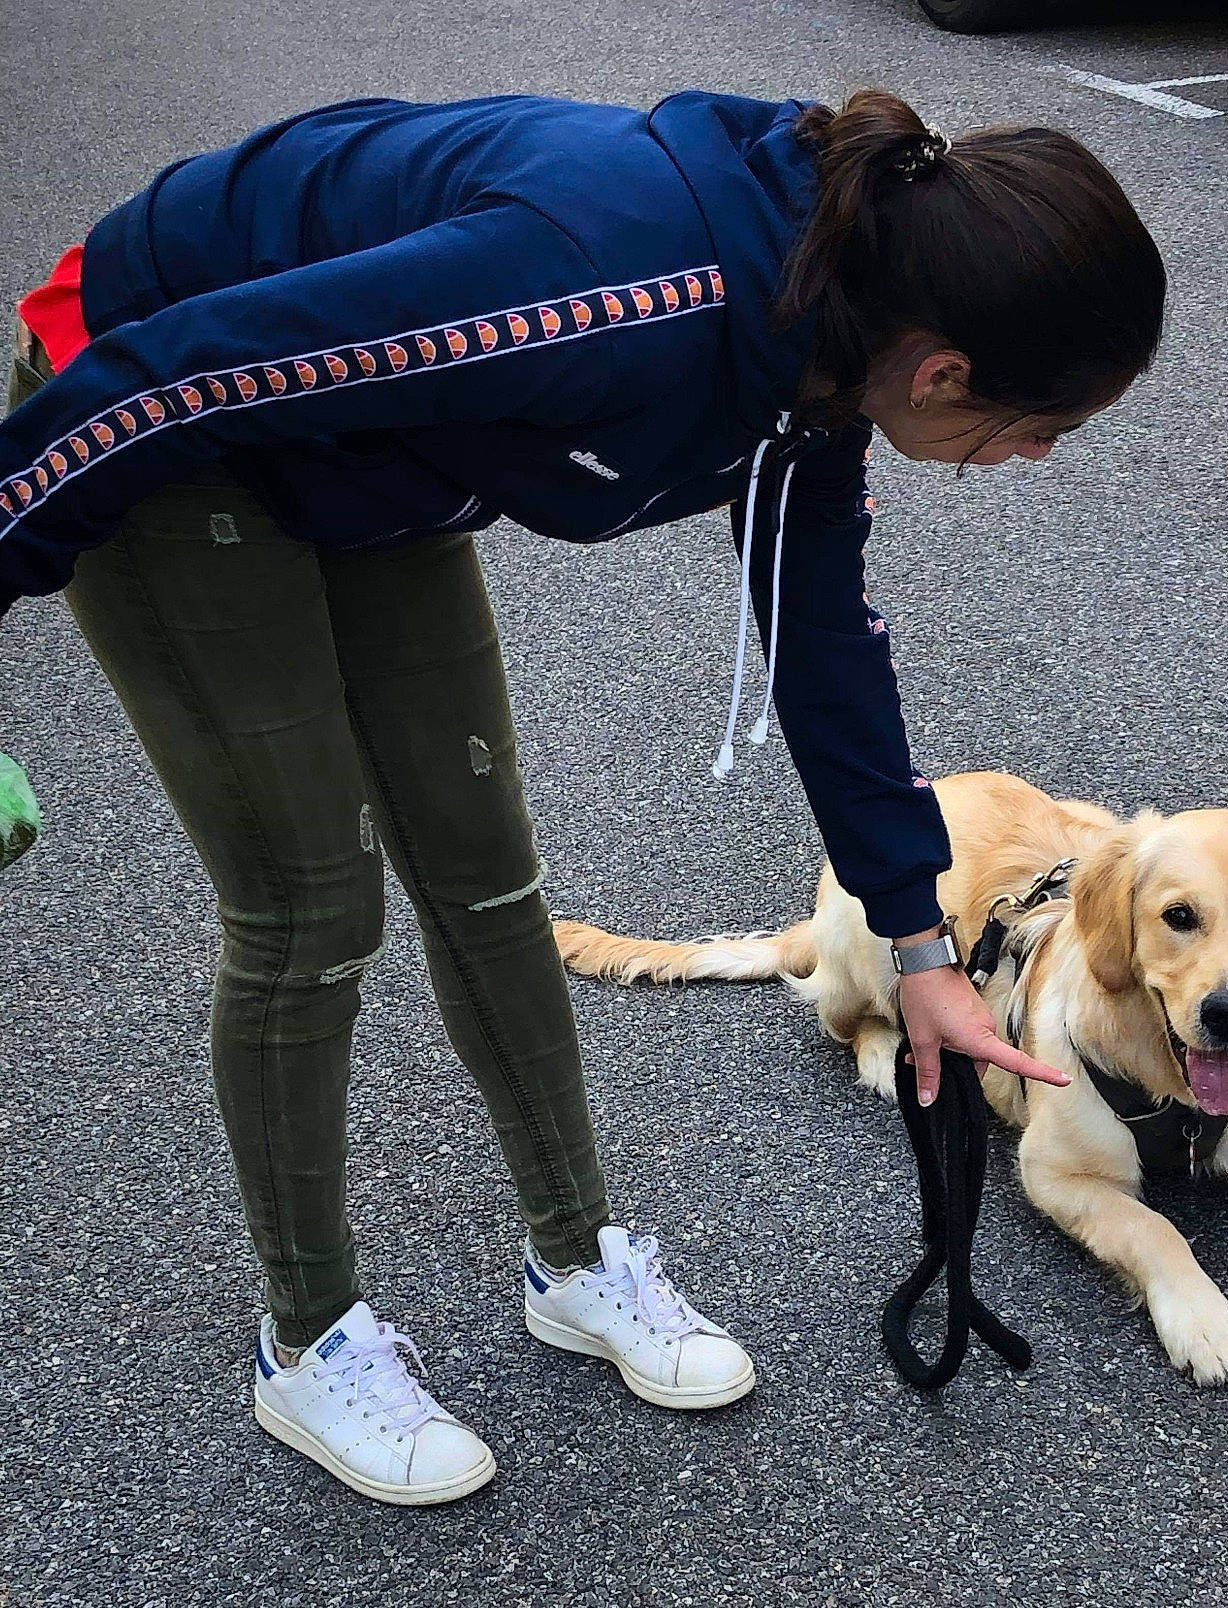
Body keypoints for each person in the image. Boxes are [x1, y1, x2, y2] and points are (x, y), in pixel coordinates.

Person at [0, 86, 1165, 1506]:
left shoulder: (827, 355)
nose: (1033, 461)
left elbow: (826, 654)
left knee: (488, 876)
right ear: (945, 372)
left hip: (368, 446)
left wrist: (923, 948)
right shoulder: (604, 292)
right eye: (1045, 428)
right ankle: (306, 1343)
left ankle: (572, 1259)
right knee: (311, 909)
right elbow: (176, 379)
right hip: (163, 392)